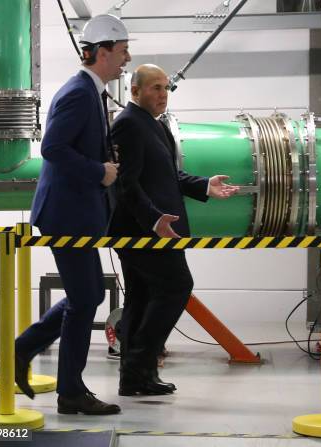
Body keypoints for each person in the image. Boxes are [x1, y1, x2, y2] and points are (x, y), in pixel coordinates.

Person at [13, 14, 131, 415]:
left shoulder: (90, 92)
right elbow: (53, 149)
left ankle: (24, 349)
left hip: (75, 212)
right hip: (67, 214)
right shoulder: (80, 92)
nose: (126, 59)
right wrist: (99, 171)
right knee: (86, 300)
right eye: (121, 51)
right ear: (101, 52)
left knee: (89, 295)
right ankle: (70, 392)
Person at [108, 64, 239, 395]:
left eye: (165, 87)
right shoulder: (127, 125)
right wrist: (153, 219)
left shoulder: (155, 126)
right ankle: (139, 364)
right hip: (142, 231)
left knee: (141, 297)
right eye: (155, 87)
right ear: (135, 91)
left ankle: (136, 376)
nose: (163, 94)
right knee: (177, 287)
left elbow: (167, 176)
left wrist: (204, 186)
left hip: (154, 229)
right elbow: (127, 183)